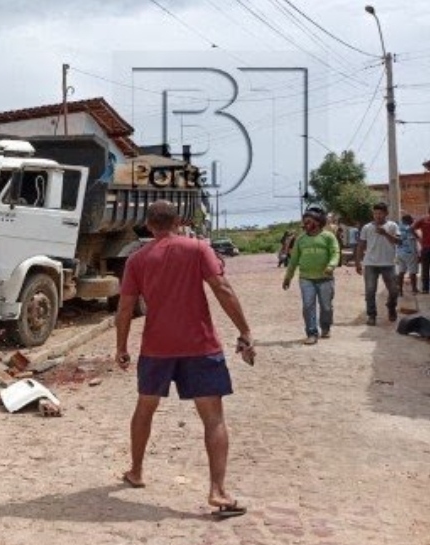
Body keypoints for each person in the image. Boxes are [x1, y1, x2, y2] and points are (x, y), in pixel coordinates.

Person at [115, 200, 254, 519]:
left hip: (155, 349)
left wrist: (121, 346)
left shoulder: (137, 260)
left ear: (148, 225)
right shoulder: (198, 249)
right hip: (200, 346)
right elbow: (222, 288)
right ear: (178, 221)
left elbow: (124, 308)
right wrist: (245, 330)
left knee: (144, 409)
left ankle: (136, 471)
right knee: (214, 419)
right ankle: (217, 490)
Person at [283, 207, 340, 345]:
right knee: (308, 306)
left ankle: (325, 327)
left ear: (318, 222)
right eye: (304, 222)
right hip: (306, 278)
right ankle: (311, 333)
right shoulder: (301, 239)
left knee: (326, 306)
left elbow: (335, 252)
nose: (305, 225)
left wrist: (331, 265)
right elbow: (294, 260)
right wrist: (288, 277)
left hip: (325, 278)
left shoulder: (328, 236)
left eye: (308, 222)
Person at [356, 201, 400, 325]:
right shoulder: (367, 227)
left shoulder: (392, 226)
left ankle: (391, 307)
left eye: (380, 213)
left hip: (388, 263)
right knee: (370, 291)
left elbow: (398, 241)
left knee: (394, 291)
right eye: (375, 213)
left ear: (386, 213)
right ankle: (371, 315)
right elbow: (361, 245)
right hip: (370, 263)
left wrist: (385, 233)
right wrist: (358, 263)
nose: (377, 216)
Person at [396, 214, 419, 294]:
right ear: (409, 220)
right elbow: (417, 237)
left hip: (400, 253)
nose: (413, 221)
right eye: (412, 219)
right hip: (410, 253)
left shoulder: (398, 228)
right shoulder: (410, 228)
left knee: (401, 271)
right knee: (412, 272)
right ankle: (414, 289)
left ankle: (400, 290)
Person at [413, 213, 430, 293]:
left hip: (425, 247)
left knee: (425, 268)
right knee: (425, 269)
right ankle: (425, 288)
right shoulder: (423, 219)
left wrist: (418, 238)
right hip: (426, 247)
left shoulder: (423, 219)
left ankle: (425, 288)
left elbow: (411, 228)